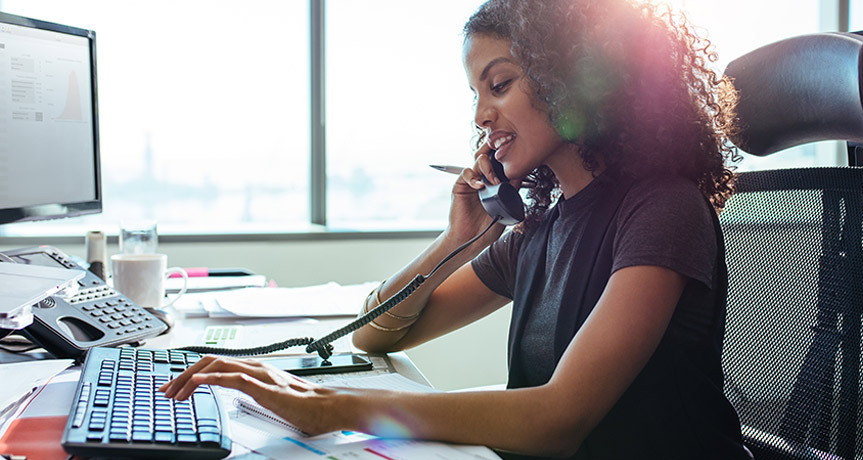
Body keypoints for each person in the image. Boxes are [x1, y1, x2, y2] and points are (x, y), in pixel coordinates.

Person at [161, 0, 751, 458]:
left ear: (572, 79)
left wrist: (329, 406)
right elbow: (378, 337)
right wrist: (456, 242)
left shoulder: (663, 210)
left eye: (499, 85)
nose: (479, 116)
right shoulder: (540, 228)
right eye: (476, 94)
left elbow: (558, 421)